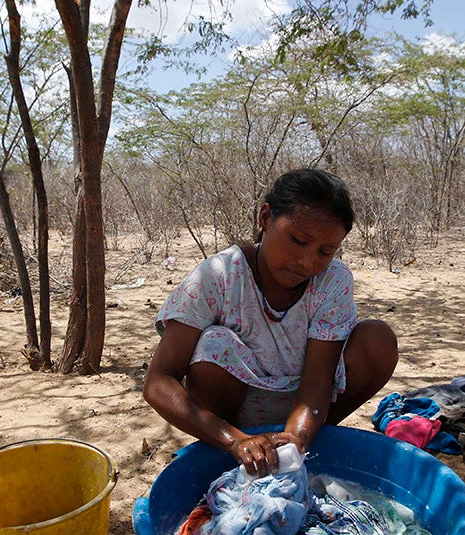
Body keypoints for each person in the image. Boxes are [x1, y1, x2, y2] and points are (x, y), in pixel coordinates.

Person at [143, 168, 398, 476]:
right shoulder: (218, 275)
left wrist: (295, 440)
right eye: (297, 240)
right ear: (265, 218)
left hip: (306, 405)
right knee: (214, 345)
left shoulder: (332, 281)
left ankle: (306, 442)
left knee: (377, 340)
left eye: (325, 251)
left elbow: (318, 382)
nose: (307, 261)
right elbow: (158, 383)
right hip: (233, 414)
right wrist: (234, 440)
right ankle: (234, 453)